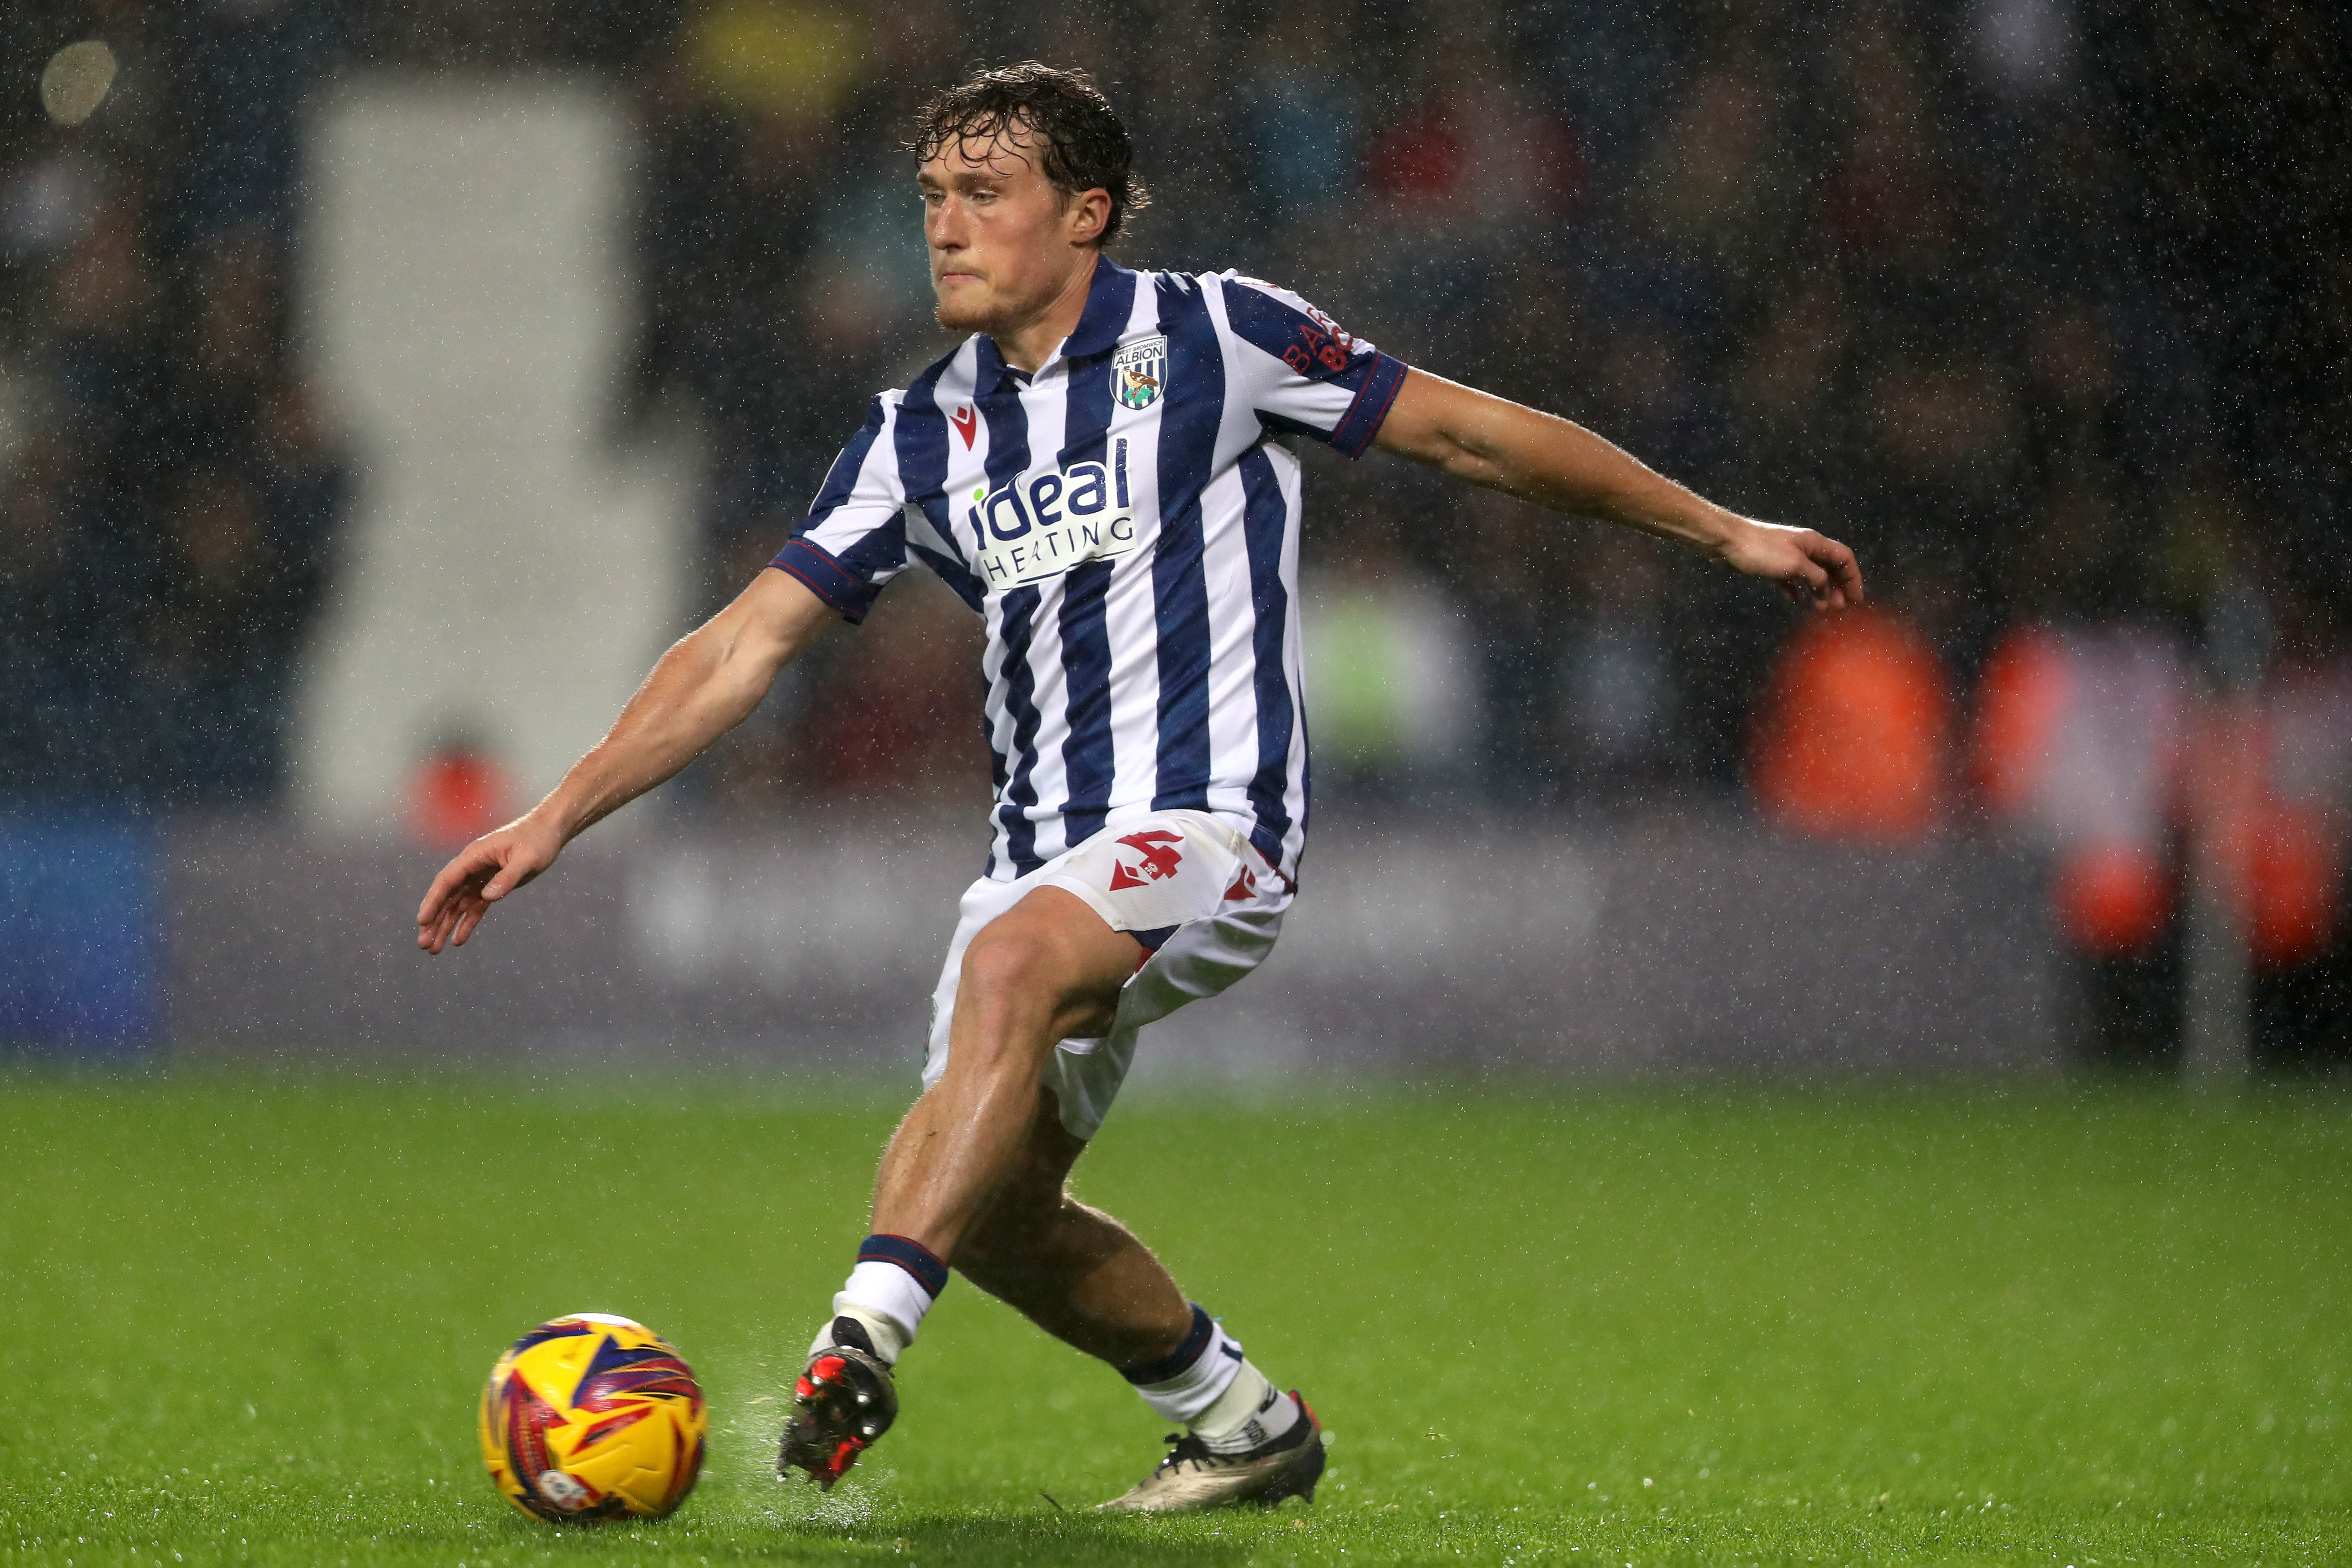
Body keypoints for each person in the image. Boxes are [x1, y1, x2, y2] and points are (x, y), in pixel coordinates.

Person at [415, 61, 1863, 1513]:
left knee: (1010, 965)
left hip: (1207, 829)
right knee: (989, 1212)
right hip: (1035, 856)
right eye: (931, 198)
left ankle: (853, 1346)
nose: (945, 228)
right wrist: (555, 815)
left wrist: (1717, 528)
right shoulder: (919, 434)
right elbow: (741, 647)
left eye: (984, 194)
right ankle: (1241, 1422)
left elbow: (1467, 431)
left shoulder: (1218, 334)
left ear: (1086, 213)